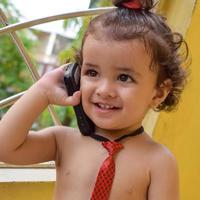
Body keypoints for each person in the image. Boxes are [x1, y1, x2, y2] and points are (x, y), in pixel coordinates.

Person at [0, 0, 188, 199]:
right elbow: (4, 148)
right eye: (92, 72)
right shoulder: (63, 142)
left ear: (159, 93)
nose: (104, 90)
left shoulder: (158, 161)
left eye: (124, 77)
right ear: (75, 75)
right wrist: (42, 91)